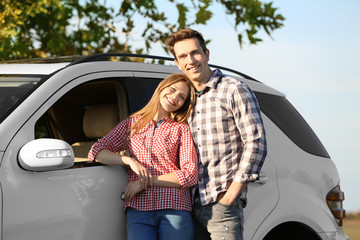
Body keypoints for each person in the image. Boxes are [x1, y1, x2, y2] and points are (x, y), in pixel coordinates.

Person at [165, 28, 267, 240]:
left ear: (207, 54)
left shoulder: (233, 89)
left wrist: (230, 196)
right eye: (183, 56)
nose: (190, 60)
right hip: (186, 206)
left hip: (222, 203)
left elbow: (255, 142)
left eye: (195, 53)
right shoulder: (182, 98)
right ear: (177, 62)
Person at [88, 73, 198, 240]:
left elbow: (190, 174)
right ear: (162, 88)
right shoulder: (131, 125)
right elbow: (96, 152)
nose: (175, 97)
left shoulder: (181, 129)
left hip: (174, 208)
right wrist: (128, 160)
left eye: (181, 97)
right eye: (172, 89)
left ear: (183, 104)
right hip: (139, 209)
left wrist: (145, 182)